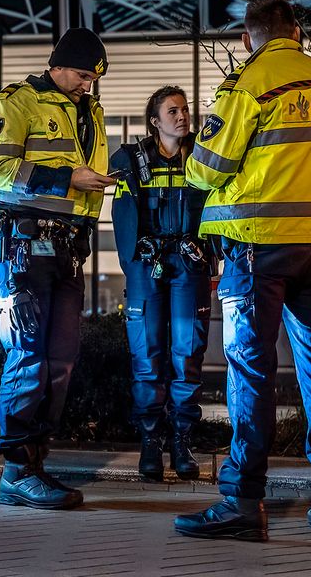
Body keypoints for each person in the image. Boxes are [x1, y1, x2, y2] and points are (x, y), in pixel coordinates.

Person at [174, 0, 311, 541]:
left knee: (250, 371)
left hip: (256, 250)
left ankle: (242, 501)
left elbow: (205, 171)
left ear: (246, 39)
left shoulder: (248, 85)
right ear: (297, 32)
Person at [0, 26, 115, 510]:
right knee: (29, 354)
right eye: (82, 74)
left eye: (93, 78)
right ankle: (17, 468)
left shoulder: (88, 110)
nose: (88, 85)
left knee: (60, 359)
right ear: (58, 64)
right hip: (25, 243)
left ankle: (36, 461)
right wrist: (68, 177)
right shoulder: (15, 103)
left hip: (69, 249)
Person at [109, 86, 212, 482]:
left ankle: (182, 441)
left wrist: (211, 255)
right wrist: (134, 267)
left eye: (185, 110)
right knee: (147, 357)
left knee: (187, 356)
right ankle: (150, 443)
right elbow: (122, 220)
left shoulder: (204, 156)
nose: (182, 116)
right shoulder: (130, 160)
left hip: (190, 266)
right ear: (154, 121)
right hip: (145, 267)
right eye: (173, 111)